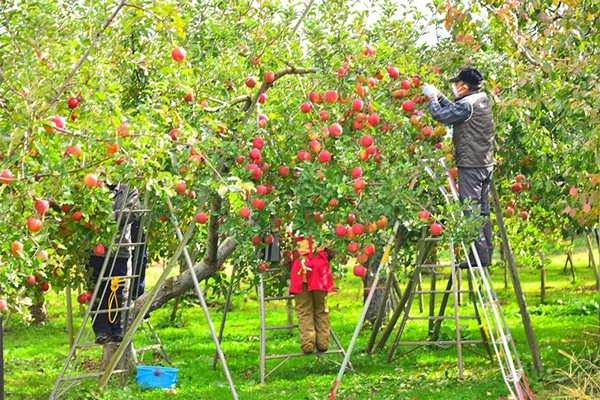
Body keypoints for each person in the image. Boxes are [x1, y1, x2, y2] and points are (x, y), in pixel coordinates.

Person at [422, 67, 495, 269]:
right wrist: (440, 96)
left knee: (470, 211)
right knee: (482, 212)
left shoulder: (467, 104)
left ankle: (477, 258)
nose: (454, 87)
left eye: (456, 84)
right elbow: (457, 111)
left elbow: (442, 116)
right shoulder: (480, 99)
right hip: (484, 162)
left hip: (470, 165)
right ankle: (486, 253)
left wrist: (431, 98)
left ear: (464, 87)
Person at [86, 183, 140, 344]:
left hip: (119, 250)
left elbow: (133, 212)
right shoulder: (91, 186)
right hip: (94, 250)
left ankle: (116, 329)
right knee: (96, 292)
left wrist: (115, 215)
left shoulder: (129, 189)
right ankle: (101, 331)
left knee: (116, 292)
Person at [287, 233, 335, 353]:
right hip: (319, 268)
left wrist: (288, 266)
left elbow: (286, 254)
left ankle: (308, 344)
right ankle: (323, 342)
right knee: (321, 307)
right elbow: (332, 249)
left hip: (300, 268)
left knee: (303, 308)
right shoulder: (320, 227)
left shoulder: (291, 228)